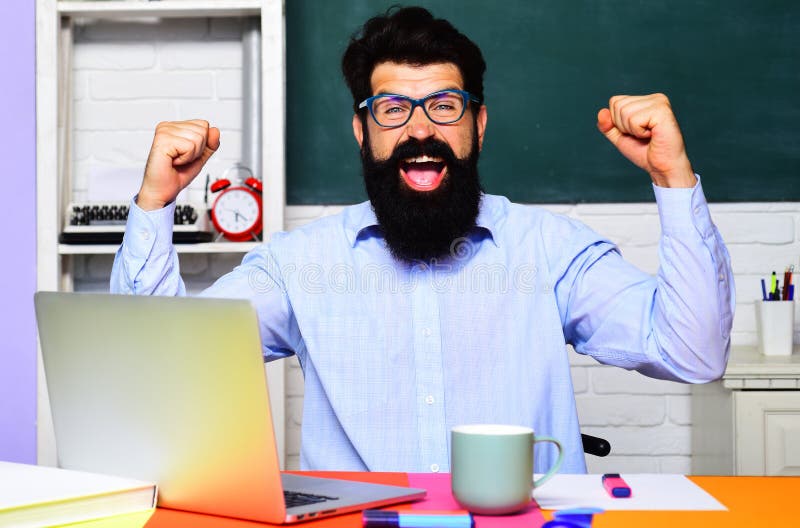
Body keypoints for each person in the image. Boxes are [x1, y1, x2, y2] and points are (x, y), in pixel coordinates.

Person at [111, 6, 734, 474]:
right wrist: (155, 202)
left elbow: (693, 352)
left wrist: (672, 178)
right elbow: (152, 367)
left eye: (444, 105)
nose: (419, 130)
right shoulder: (298, 266)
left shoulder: (551, 252)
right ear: (362, 131)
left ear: (478, 124)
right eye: (392, 110)